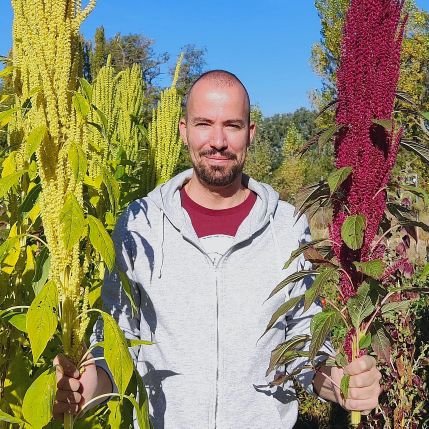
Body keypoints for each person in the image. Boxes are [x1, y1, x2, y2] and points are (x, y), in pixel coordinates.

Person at [54, 70, 381, 428]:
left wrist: (340, 383)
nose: (218, 140)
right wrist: (85, 387)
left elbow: (303, 342)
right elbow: (117, 340)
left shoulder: (287, 226)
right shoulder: (139, 222)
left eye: (233, 125)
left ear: (251, 133)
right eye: (204, 124)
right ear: (183, 130)